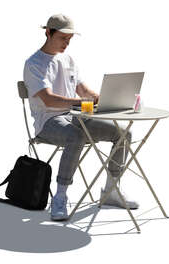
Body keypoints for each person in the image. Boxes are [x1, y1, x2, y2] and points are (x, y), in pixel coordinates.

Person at [23, 14, 139, 221]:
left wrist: (108, 99)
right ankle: (60, 197)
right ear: (48, 33)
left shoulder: (68, 60)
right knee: (75, 136)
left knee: (124, 132)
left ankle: (111, 191)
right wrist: (82, 104)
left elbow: (83, 91)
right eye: (63, 38)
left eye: (70, 39)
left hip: (75, 117)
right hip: (48, 123)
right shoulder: (34, 63)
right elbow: (49, 100)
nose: (67, 43)